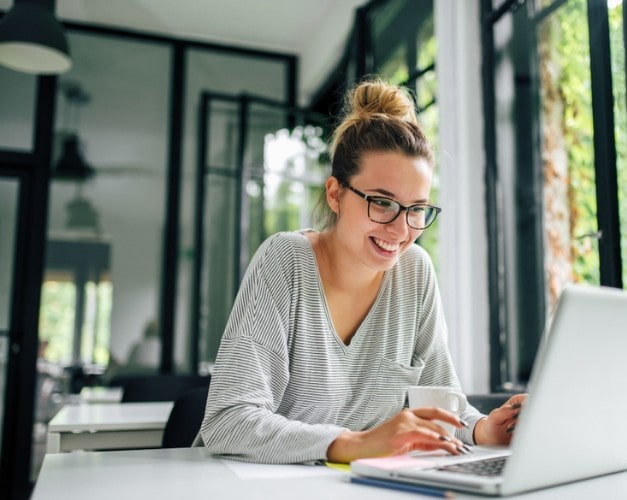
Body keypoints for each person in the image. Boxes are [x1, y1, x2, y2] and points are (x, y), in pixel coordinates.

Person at [195, 79, 525, 464]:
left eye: (417, 208)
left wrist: (485, 429)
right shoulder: (285, 260)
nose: (401, 231)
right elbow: (228, 420)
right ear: (335, 194)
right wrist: (355, 444)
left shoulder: (415, 273)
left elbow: (441, 408)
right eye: (382, 203)